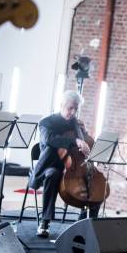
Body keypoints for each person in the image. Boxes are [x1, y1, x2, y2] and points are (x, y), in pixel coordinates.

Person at [29, 90, 100, 238]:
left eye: (75, 109)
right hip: (50, 164)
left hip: (73, 166)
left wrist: (84, 132)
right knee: (52, 174)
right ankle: (45, 221)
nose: (73, 112)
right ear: (61, 105)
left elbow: (88, 144)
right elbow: (50, 139)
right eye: (70, 108)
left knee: (95, 181)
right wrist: (75, 140)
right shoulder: (47, 122)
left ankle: (86, 220)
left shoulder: (76, 123)